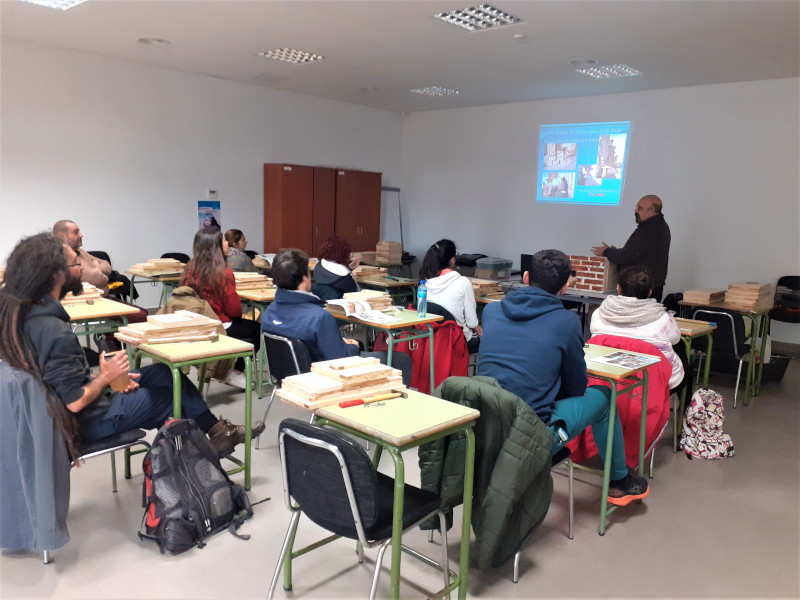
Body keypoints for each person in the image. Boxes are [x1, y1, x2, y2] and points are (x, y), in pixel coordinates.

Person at [0, 233, 258, 456]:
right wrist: (104, 378)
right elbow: (75, 402)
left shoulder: (22, 314)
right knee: (169, 399)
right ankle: (196, 467)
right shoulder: (55, 332)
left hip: (58, 413)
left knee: (165, 372)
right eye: (75, 263)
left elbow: (60, 384)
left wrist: (103, 377)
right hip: (82, 421)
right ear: (56, 275)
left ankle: (217, 432)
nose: (81, 268)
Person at [477, 249, 649, 506]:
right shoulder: (566, 322)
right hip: (531, 436)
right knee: (604, 397)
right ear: (565, 287)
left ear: (525, 277)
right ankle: (619, 481)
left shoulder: (492, 312)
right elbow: (577, 387)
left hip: (485, 430)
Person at [261, 248, 412, 386]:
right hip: (323, 380)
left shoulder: (269, 312)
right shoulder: (319, 317)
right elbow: (341, 360)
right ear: (305, 277)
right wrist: (353, 346)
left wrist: (337, 343)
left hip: (288, 379)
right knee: (402, 360)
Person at [181, 228, 261, 389]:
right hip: (220, 326)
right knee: (257, 329)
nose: (227, 243)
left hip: (196, 325)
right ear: (216, 246)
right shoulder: (223, 273)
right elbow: (234, 311)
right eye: (224, 240)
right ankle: (233, 370)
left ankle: (229, 369)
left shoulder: (188, 270)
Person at [590, 266, 685, 390]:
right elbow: (676, 339)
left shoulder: (599, 314)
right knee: (681, 350)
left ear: (618, 288)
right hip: (653, 382)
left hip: (605, 378)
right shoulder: (663, 320)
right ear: (650, 292)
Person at [52, 219, 148, 328]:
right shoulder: (64, 257)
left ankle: (109, 341)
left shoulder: (80, 251)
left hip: (100, 298)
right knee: (141, 316)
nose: (81, 235)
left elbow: (106, 265)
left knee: (142, 313)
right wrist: (97, 269)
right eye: (76, 232)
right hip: (85, 303)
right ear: (62, 236)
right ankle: (110, 340)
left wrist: (98, 269)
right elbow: (96, 279)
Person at [591, 194, 671, 302]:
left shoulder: (650, 230)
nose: (636, 211)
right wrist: (615, 252)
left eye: (640, 208)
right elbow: (636, 253)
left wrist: (607, 252)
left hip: (640, 288)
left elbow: (628, 256)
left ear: (651, 211)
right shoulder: (658, 227)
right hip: (647, 286)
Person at [418, 239, 481, 352]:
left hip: (433, 336)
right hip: (457, 338)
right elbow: (472, 322)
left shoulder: (426, 283)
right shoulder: (463, 282)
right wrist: (479, 328)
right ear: (452, 260)